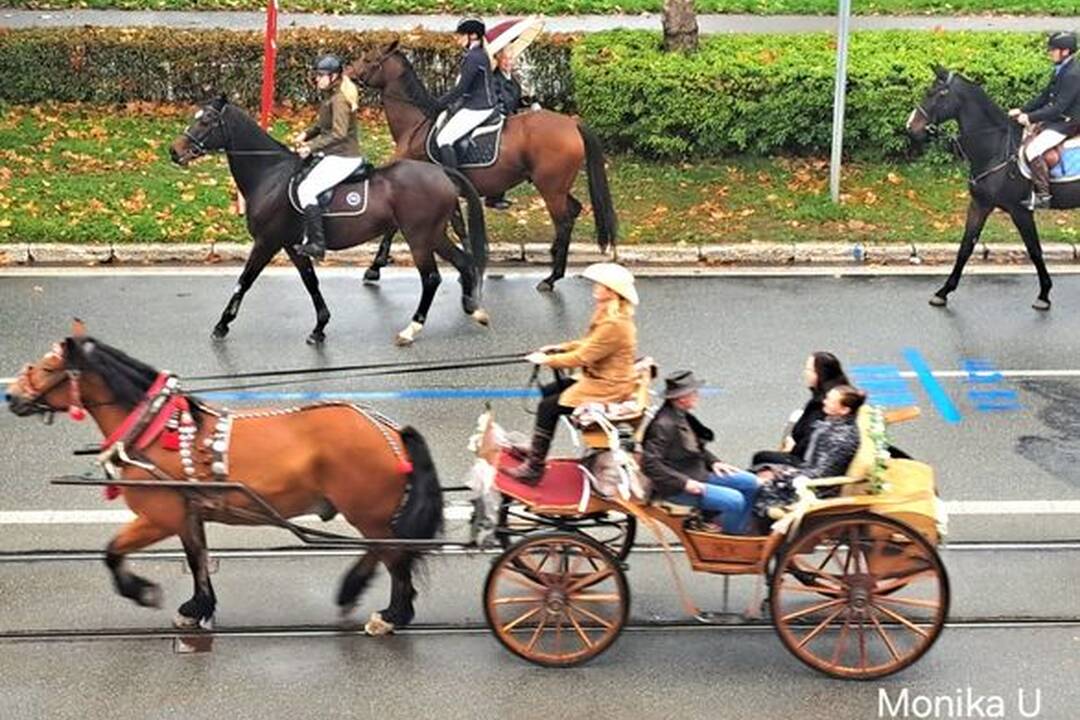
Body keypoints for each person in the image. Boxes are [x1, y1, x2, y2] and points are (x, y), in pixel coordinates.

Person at [507, 263, 640, 483]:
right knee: (550, 391)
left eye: (600, 285)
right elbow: (588, 343)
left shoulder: (615, 325)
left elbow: (583, 357)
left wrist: (548, 360)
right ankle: (537, 449)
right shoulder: (607, 315)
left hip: (608, 386)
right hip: (600, 378)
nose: (595, 287)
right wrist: (559, 348)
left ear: (611, 291)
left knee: (548, 407)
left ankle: (534, 469)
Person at [641, 371, 761, 535]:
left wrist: (714, 462)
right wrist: (685, 483)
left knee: (751, 482)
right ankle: (731, 539)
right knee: (735, 500)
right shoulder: (663, 425)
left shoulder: (681, 415)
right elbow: (650, 464)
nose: (697, 396)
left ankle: (735, 526)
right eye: (694, 393)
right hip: (677, 486)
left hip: (697, 473)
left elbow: (695, 447)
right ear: (682, 399)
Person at [754, 385, 867, 519]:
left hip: (815, 489)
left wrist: (781, 475)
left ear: (844, 410)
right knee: (759, 472)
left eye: (830, 401)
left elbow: (821, 474)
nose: (824, 402)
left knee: (753, 483)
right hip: (806, 474)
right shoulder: (835, 424)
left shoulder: (841, 438)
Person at [292, 54, 364, 261]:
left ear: (334, 77)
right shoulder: (331, 95)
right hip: (333, 153)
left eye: (321, 75)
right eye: (317, 75)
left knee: (306, 189)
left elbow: (339, 133)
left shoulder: (340, 99)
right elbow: (323, 125)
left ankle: (317, 244)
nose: (317, 79)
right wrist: (306, 134)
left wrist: (311, 147)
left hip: (343, 156)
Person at [1009, 31, 1080, 210]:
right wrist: (1022, 110)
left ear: (1065, 51)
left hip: (1068, 124)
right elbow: (1044, 97)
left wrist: (1030, 117)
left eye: (1053, 50)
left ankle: (1043, 195)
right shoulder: (1061, 69)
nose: (1050, 53)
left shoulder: (1073, 74)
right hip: (1057, 121)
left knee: (1033, 149)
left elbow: (1058, 107)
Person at [751, 352, 849, 467]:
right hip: (810, 455)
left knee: (761, 457)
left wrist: (792, 448)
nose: (805, 373)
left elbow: (810, 438)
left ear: (820, 374)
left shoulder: (822, 405)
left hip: (807, 461)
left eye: (809, 370)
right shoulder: (832, 396)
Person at [432, 18, 497, 170]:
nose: (458, 38)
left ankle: (454, 180)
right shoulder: (476, 54)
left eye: (461, 35)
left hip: (478, 107)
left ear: (473, 35)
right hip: (475, 103)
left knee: (443, 139)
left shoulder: (474, 57)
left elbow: (460, 89)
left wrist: (438, 103)